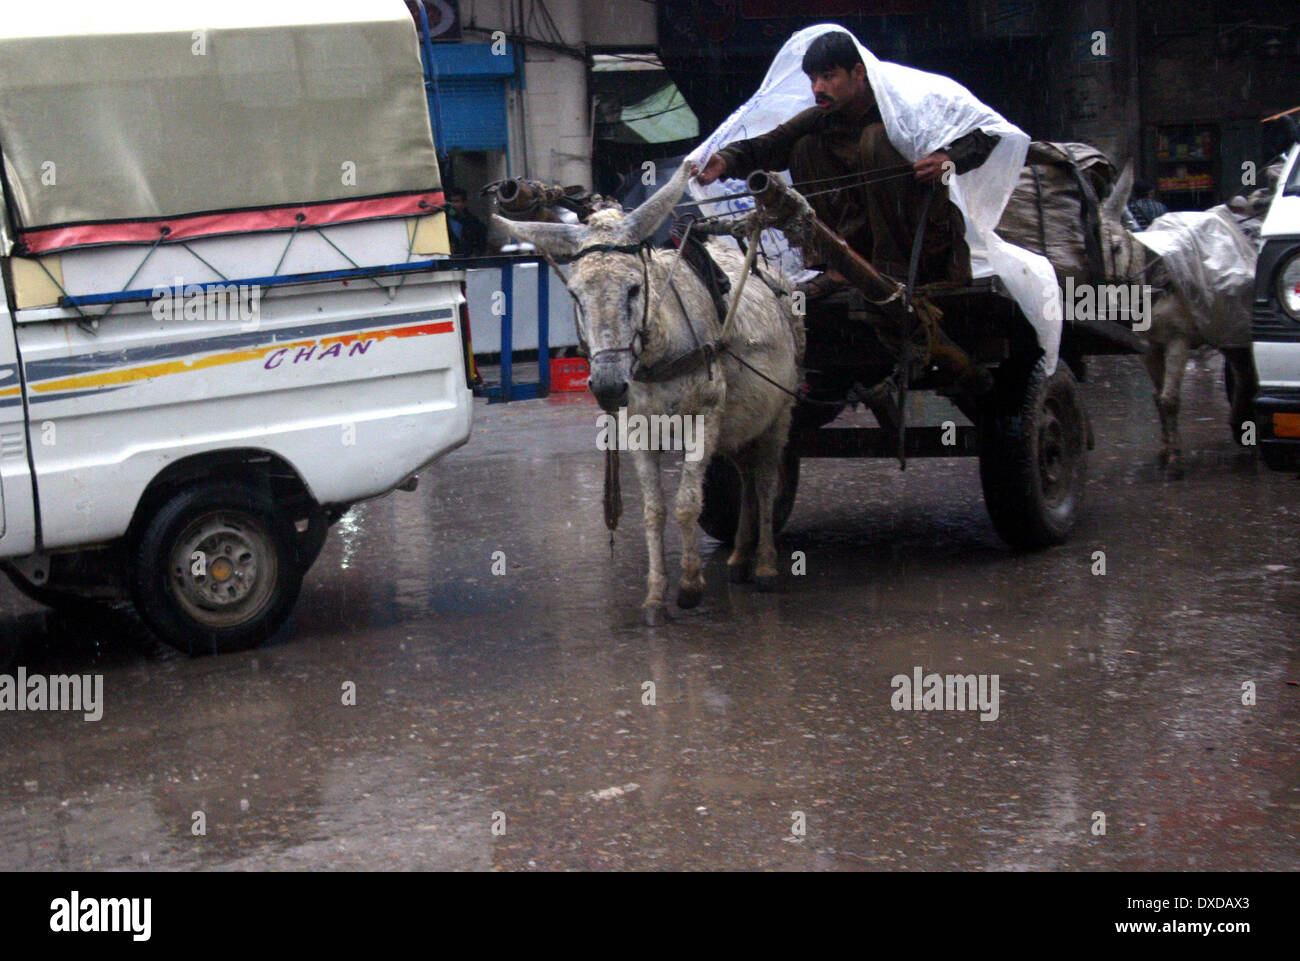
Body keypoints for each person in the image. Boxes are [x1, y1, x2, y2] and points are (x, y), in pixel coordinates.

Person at [696, 30, 1000, 292]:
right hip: (863, 253)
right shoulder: (824, 117)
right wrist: (724, 160)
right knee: (804, 147)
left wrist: (948, 160)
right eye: (813, 79)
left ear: (858, 73)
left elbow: (988, 133)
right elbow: (770, 144)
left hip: (924, 248)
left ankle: (889, 267)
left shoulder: (905, 109)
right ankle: (840, 265)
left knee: (875, 139)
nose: (817, 88)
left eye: (828, 77)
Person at [445, 186, 489, 257]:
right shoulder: (444, 222)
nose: (453, 205)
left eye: (457, 201)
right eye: (451, 202)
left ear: (464, 203)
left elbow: (481, 244)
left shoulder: (474, 223)